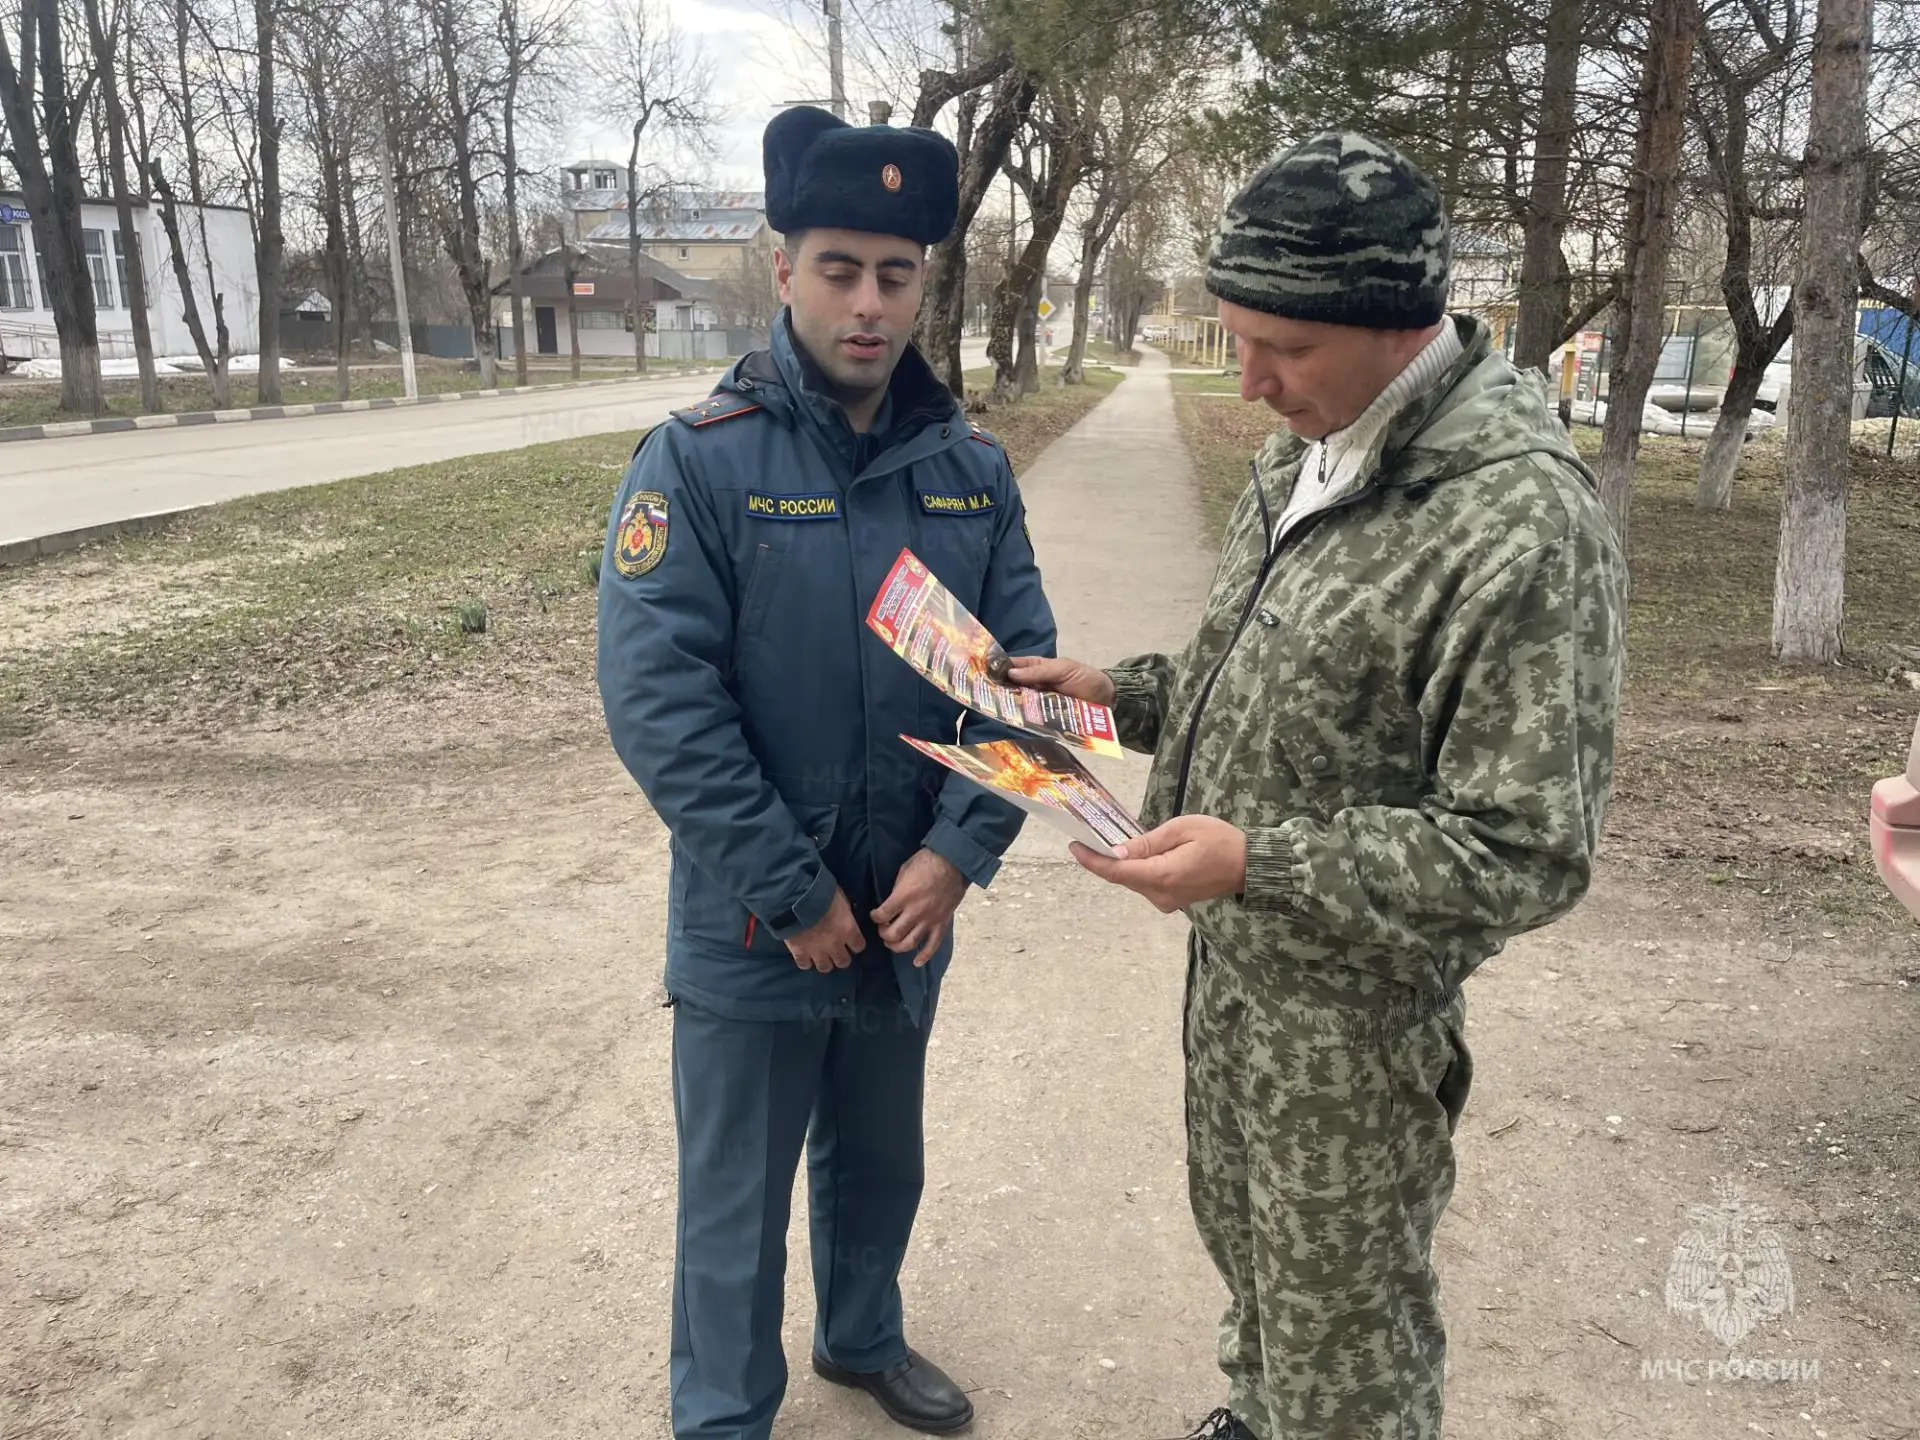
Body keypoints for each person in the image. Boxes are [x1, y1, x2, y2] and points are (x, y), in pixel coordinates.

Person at [1008, 131, 1628, 1440]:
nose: (1251, 378)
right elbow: (1258, 678)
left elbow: (1528, 850)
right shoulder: (1307, 455)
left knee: (1350, 1336)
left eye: (1280, 344)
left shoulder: (1515, 517)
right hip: (1234, 987)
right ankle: (1257, 1409)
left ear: (1392, 322)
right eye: (1237, 336)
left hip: (1348, 1031)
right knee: (1252, 1260)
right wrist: (1105, 693)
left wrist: (1259, 863)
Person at [597, 104, 1056, 1439]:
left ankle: (861, 1339)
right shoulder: (701, 463)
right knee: (732, 1193)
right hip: (759, 918)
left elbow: (1025, 683)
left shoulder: (968, 473)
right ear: (782, 263)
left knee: (880, 1159)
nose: (869, 303)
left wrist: (955, 857)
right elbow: (659, 701)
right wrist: (790, 890)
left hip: (905, 907)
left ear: (927, 280)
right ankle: (726, 1414)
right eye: (841, 267)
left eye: (897, 273)